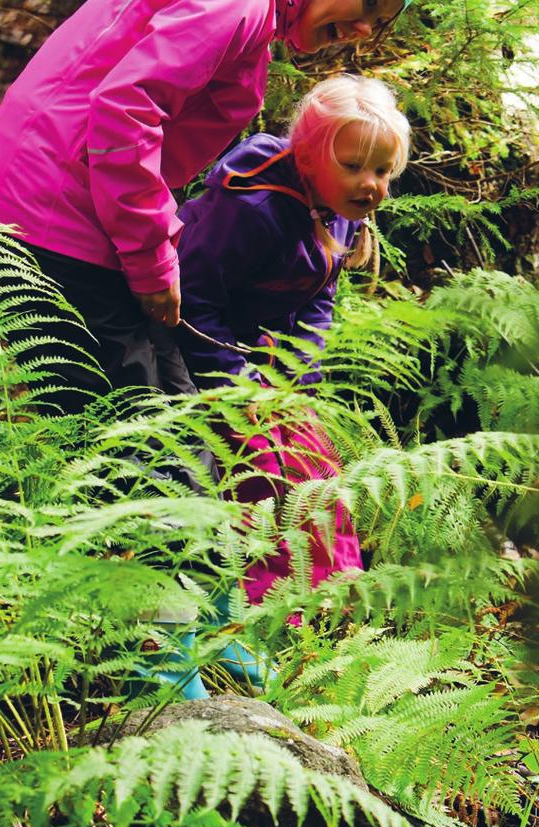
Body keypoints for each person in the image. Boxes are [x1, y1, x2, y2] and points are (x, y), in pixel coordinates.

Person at [0, 0, 421, 404]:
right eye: (370, 0)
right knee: (146, 448)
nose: (364, 29)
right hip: (51, 216)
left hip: (74, 212)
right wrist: (152, 260)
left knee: (175, 426)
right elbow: (126, 111)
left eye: (380, 22)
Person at [174, 74, 411, 608]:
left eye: (381, 170)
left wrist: (293, 374)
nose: (370, 183)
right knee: (258, 471)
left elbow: (317, 300)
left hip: (260, 364)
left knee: (314, 470)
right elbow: (194, 292)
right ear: (307, 159)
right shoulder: (252, 209)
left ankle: (332, 602)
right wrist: (239, 385)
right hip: (197, 348)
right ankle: (268, 610)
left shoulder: (340, 210)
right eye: (353, 166)